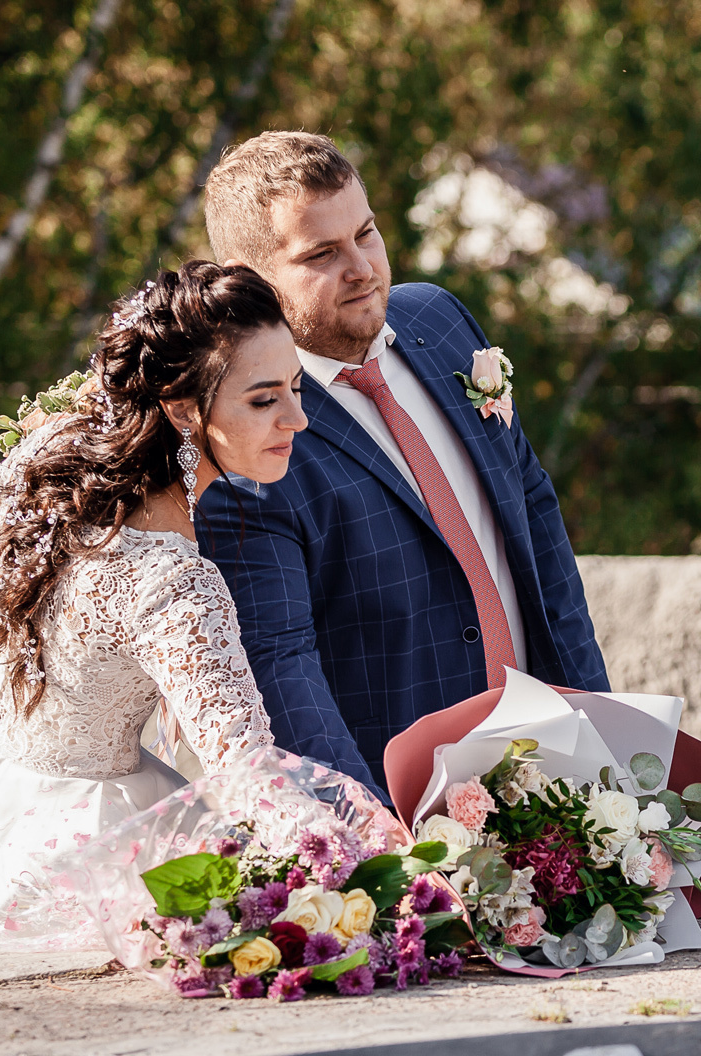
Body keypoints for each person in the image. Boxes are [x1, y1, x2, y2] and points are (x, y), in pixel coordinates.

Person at [0, 262, 306, 963]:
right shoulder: (174, 582)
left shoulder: (54, 454)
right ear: (186, 409)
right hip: (74, 845)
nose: (297, 417)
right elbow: (248, 774)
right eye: (264, 400)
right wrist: (375, 875)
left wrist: (34, 452)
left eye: (295, 387)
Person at [194, 131, 609, 798]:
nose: (361, 266)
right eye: (322, 253)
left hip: (550, 770)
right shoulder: (251, 442)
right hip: (409, 815)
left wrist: (603, 741)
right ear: (251, 282)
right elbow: (282, 667)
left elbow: (535, 518)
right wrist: (378, 851)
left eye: (367, 233)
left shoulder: (441, 321)